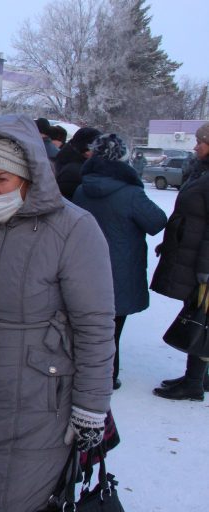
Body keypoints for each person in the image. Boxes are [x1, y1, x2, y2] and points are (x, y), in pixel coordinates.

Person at [0, 115, 115, 512]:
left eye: (2, 178)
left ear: (29, 174)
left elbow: (94, 325)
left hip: (40, 393)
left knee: (18, 501)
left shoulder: (74, 229)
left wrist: (91, 407)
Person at [73, 133, 167, 390]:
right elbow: (156, 221)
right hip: (120, 270)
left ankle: (82, 372)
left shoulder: (81, 190)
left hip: (83, 269)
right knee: (113, 327)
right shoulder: (131, 193)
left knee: (86, 325)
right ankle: (106, 375)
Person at [151, 122, 209, 401]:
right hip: (193, 255)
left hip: (203, 263)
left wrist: (205, 269)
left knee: (202, 318)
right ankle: (195, 377)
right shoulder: (203, 171)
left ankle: (195, 383)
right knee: (197, 315)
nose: (196, 146)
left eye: (202, 141)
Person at [54, 126, 101, 200]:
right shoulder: (74, 171)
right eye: (95, 148)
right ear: (86, 149)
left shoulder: (66, 157)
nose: (98, 152)